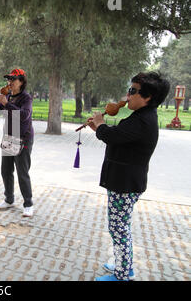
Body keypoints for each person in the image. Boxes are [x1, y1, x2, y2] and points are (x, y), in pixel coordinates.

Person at [87, 72, 170, 281]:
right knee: (120, 226)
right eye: (129, 89)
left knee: (118, 228)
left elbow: (113, 135)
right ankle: (124, 264)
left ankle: (123, 274)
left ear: (148, 97)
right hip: (124, 181)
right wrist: (99, 127)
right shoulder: (141, 117)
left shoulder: (143, 121)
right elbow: (120, 136)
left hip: (125, 184)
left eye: (133, 91)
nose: (127, 95)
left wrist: (100, 124)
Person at [0, 69, 34, 217]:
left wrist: (6, 104)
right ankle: (9, 199)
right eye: (9, 79)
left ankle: (28, 204)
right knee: (6, 170)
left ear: (21, 82)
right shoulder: (7, 96)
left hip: (23, 138)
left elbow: (24, 115)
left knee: (22, 172)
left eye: (13, 80)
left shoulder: (26, 98)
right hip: (9, 136)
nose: (10, 83)